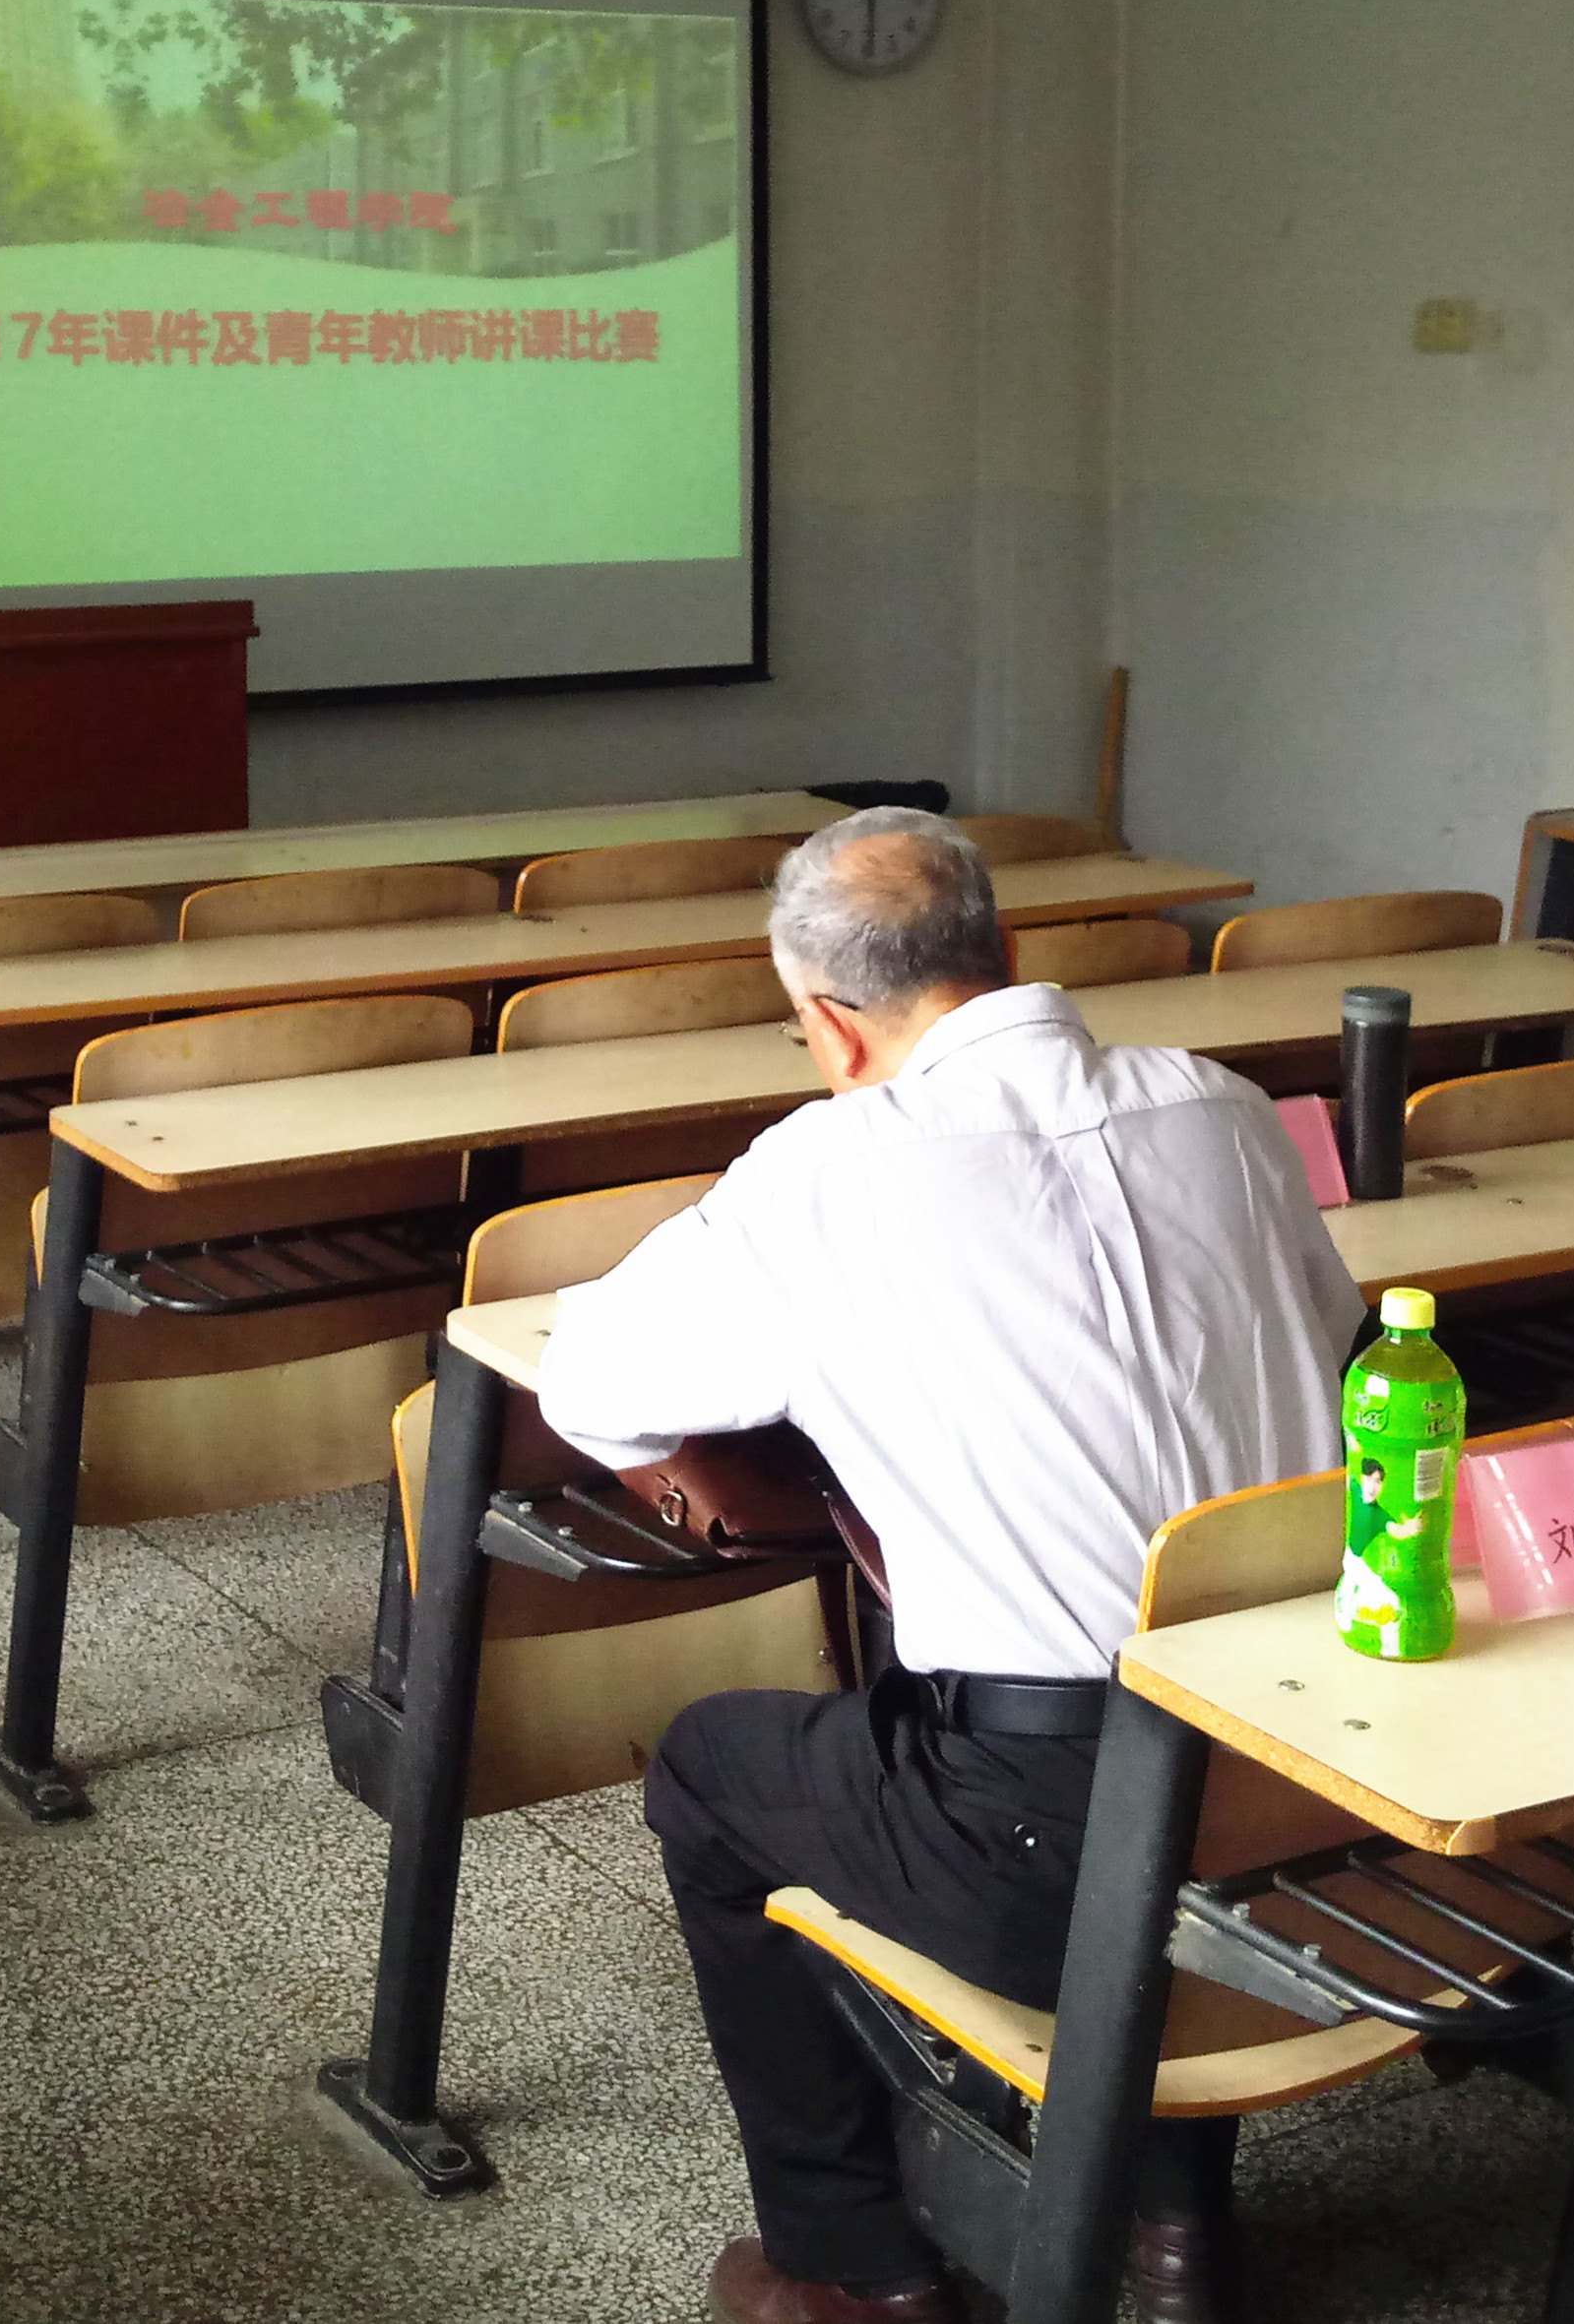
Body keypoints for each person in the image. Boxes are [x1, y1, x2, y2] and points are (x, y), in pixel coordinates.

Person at [535, 808, 1354, 2324]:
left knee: (711, 1768)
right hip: (1331, 1772)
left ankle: (851, 2267)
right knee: (1181, 1655)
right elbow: (1325, 1327)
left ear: (829, 1027)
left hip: (1061, 1847)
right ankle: (1178, 2226)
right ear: (1005, 948)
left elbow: (590, 1385)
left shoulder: (823, 1171)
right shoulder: (1225, 1104)